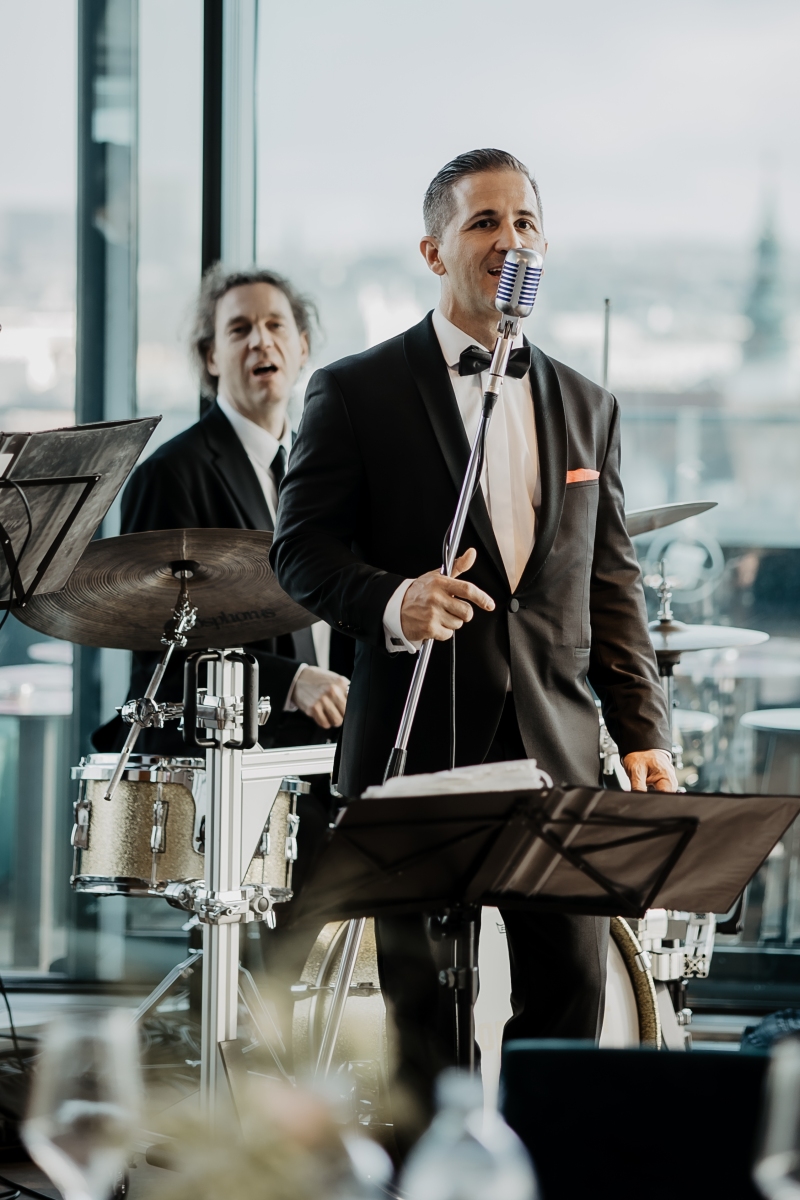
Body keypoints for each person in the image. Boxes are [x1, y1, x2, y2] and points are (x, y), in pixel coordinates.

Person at [271, 149, 677, 1124]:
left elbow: (610, 583)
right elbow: (299, 552)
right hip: (416, 745)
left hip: (556, 748)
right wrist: (392, 600)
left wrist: (642, 729)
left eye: (524, 222)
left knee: (570, 1000)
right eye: (483, 222)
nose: (509, 240)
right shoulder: (354, 390)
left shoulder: (588, 404)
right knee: (423, 1020)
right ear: (433, 250)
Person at [94, 264, 353, 756]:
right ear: (211, 356)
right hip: (221, 764)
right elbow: (159, 662)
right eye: (239, 329)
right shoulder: (169, 474)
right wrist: (291, 681)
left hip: (325, 754)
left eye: (275, 325)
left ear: (301, 347)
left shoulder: (326, 467)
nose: (261, 341)